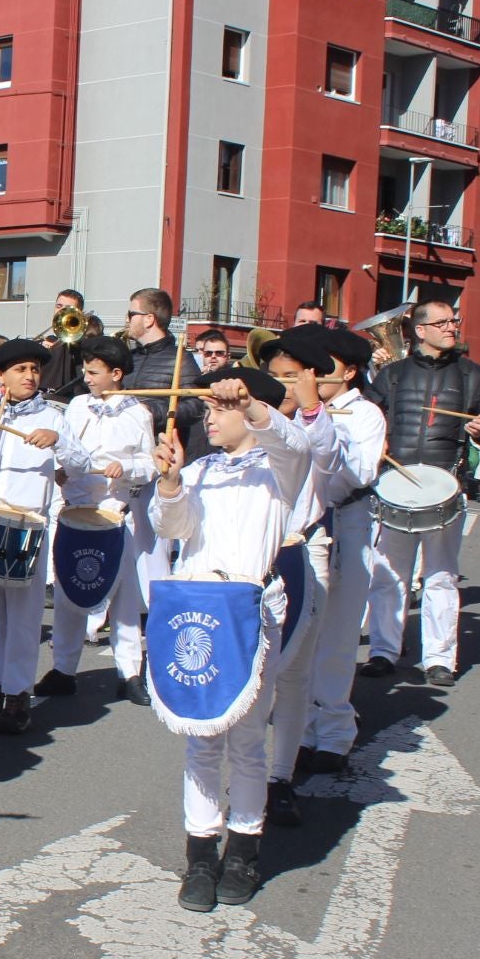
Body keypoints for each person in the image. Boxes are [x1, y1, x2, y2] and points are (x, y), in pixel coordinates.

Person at [149, 366, 310, 912]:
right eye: (210, 410)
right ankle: (199, 854)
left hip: (249, 612)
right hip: (198, 611)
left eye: (220, 409)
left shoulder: (278, 468)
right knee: (201, 739)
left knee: (246, 742)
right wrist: (170, 483)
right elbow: (173, 529)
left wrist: (255, 404)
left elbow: (296, 442)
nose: (209, 418)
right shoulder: (200, 469)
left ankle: (243, 849)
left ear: (247, 408)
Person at [361, 302, 480, 686]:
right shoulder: (392, 375)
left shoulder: (472, 375)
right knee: (389, 573)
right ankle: (383, 651)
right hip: (394, 482)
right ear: (419, 331)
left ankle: (440, 658)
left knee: (441, 576)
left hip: (445, 483)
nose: (451, 327)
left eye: (454, 321)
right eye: (441, 322)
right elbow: (368, 416)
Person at [0, 338, 90, 736]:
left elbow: (83, 465)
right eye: (20, 370)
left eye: (34, 369)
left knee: (23, 617)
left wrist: (60, 441)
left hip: (29, 528)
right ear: (0, 376)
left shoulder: (54, 418)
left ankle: (18, 696)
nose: (30, 376)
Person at [256, 327, 346, 826]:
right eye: (275, 377)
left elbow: (330, 460)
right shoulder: (256, 422)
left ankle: (280, 777)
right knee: (253, 674)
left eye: (292, 377)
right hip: (253, 559)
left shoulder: (321, 426)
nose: (282, 386)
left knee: (293, 676)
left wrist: (313, 408)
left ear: (312, 379)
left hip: (303, 553)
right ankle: (248, 771)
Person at [40, 335, 153, 703]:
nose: (86, 378)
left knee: (123, 599)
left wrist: (129, 467)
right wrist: (60, 468)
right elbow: (68, 448)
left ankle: (130, 671)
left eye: (93, 372)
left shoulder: (139, 413)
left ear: (116, 374)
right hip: (74, 513)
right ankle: (63, 669)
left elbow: (152, 464)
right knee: (69, 593)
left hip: (115, 513)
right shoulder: (75, 406)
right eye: (86, 371)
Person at [297, 327, 385, 776]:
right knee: (303, 633)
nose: (315, 374)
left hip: (346, 523)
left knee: (337, 634)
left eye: (325, 366)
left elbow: (360, 472)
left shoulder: (365, 414)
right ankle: (302, 728)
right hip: (306, 524)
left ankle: (333, 731)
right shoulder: (299, 407)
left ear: (349, 372)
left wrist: (322, 432)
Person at [122, 288, 201, 599]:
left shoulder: (180, 358)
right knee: (126, 539)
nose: (127, 320)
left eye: (132, 314)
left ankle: (156, 608)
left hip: (160, 459)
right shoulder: (129, 357)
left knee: (154, 545)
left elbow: (196, 406)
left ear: (149, 318)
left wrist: (150, 411)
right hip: (129, 457)